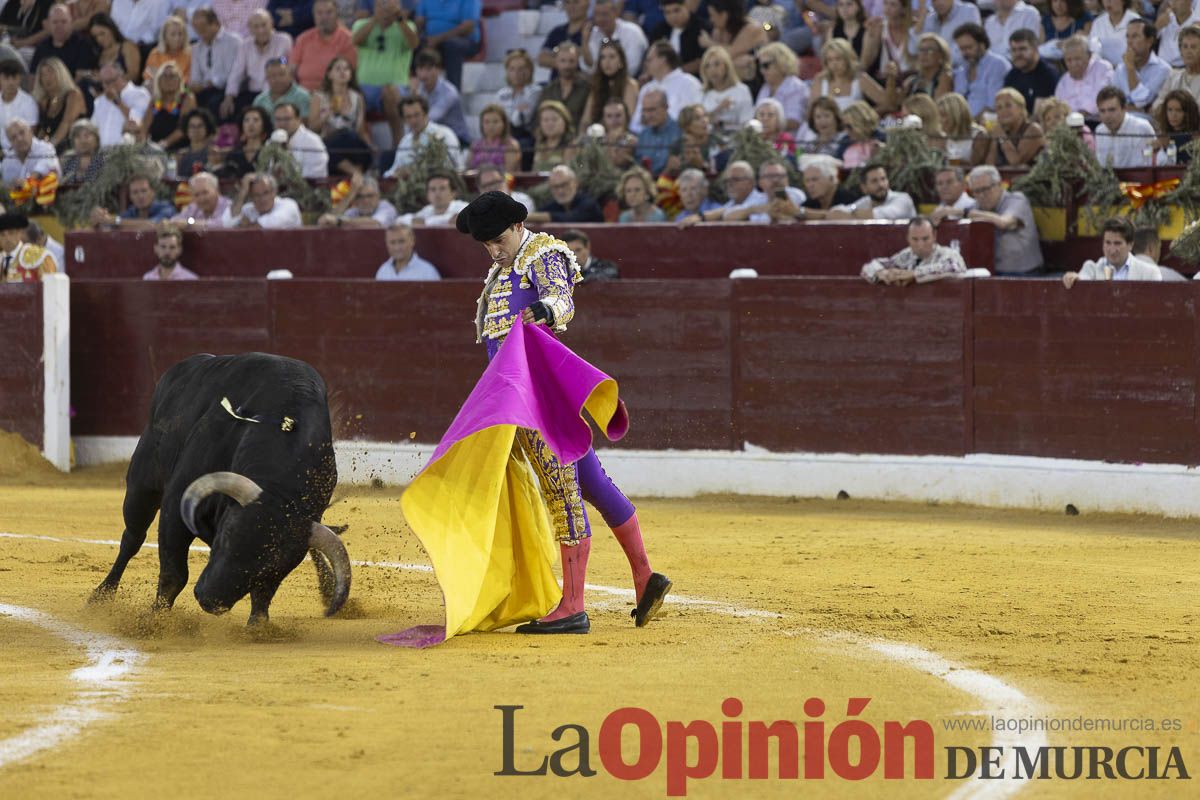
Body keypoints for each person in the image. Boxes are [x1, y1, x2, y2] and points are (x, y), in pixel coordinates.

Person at [453, 190, 671, 633]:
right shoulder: (502, 270)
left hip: (538, 397)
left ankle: (572, 606)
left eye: (498, 241)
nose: (494, 252)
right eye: (486, 246)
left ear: (518, 226)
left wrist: (545, 309)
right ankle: (646, 576)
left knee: (561, 492)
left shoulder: (544, 251)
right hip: (518, 396)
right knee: (592, 482)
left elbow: (562, 298)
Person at [351, 0, 419, 147]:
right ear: (375, 7)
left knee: (390, 91)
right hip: (365, 88)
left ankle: (398, 145)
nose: (386, 10)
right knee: (352, 96)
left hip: (397, 87)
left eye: (390, 6)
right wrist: (375, 19)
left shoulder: (408, 26)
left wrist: (400, 20)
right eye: (382, 5)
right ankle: (365, 148)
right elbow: (356, 40)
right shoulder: (361, 24)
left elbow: (414, 44)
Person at [965, 164, 1042, 276]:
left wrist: (967, 213)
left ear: (999, 185)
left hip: (1024, 273)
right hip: (991, 272)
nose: (981, 195)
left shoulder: (1016, 200)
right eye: (976, 192)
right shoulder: (975, 207)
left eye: (986, 189)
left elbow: (1004, 222)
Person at [221, 9, 294, 120]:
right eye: (256, 26)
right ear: (250, 29)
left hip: (276, 92)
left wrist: (263, 99)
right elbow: (237, 72)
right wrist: (229, 97)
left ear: (272, 24)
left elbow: (280, 65)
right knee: (229, 107)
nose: (261, 30)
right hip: (253, 92)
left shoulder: (284, 40)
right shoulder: (245, 45)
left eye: (264, 25)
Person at [308, 55, 372, 174]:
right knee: (330, 148)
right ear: (329, 74)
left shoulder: (357, 98)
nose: (343, 72)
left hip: (351, 141)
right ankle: (355, 174)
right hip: (328, 141)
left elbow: (360, 130)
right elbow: (312, 128)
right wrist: (326, 116)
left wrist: (369, 145)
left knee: (358, 144)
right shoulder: (319, 97)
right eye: (338, 69)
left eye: (346, 69)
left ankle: (355, 174)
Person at [861, 216, 966, 285]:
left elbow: (954, 267)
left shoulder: (948, 254)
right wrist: (881, 273)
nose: (920, 245)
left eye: (925, 239)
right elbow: (869, 267)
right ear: (907, 238)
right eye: (915, 239)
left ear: (934, 236)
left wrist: (915, 274)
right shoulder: (906, 255)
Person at [1062, 216, 1162, 287]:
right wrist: (1073, 279)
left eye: (1117, 243)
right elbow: (1082, 280)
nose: (1112, 250)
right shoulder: (1091, 268)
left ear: (1130, 245)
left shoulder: (1150, 273)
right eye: (1108, 243)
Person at [630, 41, 703, 134]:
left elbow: (693, 118)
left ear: (663, 59)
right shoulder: (646, 88)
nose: (646, 64)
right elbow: (635, 124)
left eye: (649, 60)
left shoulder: (689, 83)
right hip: (648, 142)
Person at [383, 95, 462, 179]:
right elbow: (394, 170)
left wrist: (413, 171)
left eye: (416, 115)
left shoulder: (444, 134)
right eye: (408, 117)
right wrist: (394, 175)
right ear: (404, 120)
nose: (413, 121)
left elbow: (448, 167)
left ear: (426, 114)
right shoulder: (405, 141)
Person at [289, 0, 357, 91]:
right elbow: (291, 70)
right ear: (314, 16)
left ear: (337, 14)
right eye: (319, 13)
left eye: (329, 12)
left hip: (333, 93)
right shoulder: (303, 39)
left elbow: (349, 76)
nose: (324, 17)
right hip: (303, 95)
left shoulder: (348, 39)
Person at [414, 0, 480, 89]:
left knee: (453, 46)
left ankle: (453, 93)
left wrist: (438, 39)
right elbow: (419, 20)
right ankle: (413, 91)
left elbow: (468, 27)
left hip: (464, 41)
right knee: (413, 43)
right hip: (432, 40)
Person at [409, 47, 469, 145]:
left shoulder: (449, 92)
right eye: (420, 69)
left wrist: (414, 97)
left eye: (428, 69)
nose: (424, 74)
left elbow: (430, 119)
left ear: (438, 70)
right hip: (432, 139)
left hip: (457, 141)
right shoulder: (417, 89)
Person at [190, 8, 242, 120]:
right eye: (197, 30)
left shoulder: (234, 42)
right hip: (205, 90)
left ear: (215, 23)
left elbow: (234, 73)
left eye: (203, 29)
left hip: (226, 90)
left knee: (214, 103)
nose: (200, 34)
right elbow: (195, 75)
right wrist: (195, 84)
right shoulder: (196, 47)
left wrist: (212, 82)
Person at [952, 23, 1009, 119]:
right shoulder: (962, 69)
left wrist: (971, 124)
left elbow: (993, 105)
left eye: (969, 47)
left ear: (982, 44)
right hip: (962, 126)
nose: (965, 53)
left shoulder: (997, 65)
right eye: (962, 49)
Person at [1112, 17, 1169, 112]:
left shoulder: (1163, 69)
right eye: (1127, 36)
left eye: (1135, 36)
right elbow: (1112, 100)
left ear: (1149, 41)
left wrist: (1130, 68)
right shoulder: (1120, 68)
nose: (1129, 42)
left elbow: (1140, 101)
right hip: (1121, 118)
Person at [581, 38, 639, 127]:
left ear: (621, 62)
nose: (607, 62)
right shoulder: (597, 84)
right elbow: (586, 119)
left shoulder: (630, 85)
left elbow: (628, 118)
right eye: (603, 58)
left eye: (612, 57)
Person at [31, 3, 98, 79]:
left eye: (64, 22)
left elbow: (81, 80)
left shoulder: (83, 45)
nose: (59, 26)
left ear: (71, 22)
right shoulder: (42, 47)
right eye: (55, 22)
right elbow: (33, 77)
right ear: (49, 24)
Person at [92, 62, 152, 147]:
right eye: (105, 82)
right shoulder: (99, 101)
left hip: (127, 153)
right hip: (102, 154)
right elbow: (93, 127)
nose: (109, 85)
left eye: (112, 80)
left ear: (122, 76)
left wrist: (117, 101)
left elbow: (136, 122)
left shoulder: (139, 94)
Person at [33, 58, 86, 152]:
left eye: (51, 72)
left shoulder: (73, 94)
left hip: (74, 148)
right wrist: (36, 148)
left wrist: (48, 148)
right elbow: (43, 129)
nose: (47, 78)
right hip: (53, 149)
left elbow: (66, 124)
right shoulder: (44, 101)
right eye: (43, 75)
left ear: (60, 73)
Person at [1095, 85, 1156, 167]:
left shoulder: (1141, 128)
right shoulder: (1099, 131)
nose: (1107, 116)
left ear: (1124, 108)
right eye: (1102, 111)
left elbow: (1143, 167)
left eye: (1112, 110)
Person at [829, 163, 916, 220]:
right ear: (864, 188)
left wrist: (851, 214)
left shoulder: (903, 198)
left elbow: (879, 215)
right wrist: (852, 212)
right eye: (874, 181)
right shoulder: (866, 201)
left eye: (883, 179)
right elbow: (835, 212)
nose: (881, 184)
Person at [754, 42, 809, 132]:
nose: (762, 70)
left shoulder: (796, 87)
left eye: (766, 65)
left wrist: (767, 124)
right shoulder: (765, 88)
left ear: (781, 63)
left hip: (790, 142)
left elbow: (794, 121)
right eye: (760, 66)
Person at [583, 0, 648, 76]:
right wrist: (585, 42)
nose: (600, 19)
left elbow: (631, 68)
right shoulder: (593, 33)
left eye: (604, 14)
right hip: (601, 82)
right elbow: (588, 67)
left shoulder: (632, 32)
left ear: (615, 13)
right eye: (596, 15)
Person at [1054, 34, 1114, 116]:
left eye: (1077, 59)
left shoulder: (1103, 68)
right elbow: (1059, 107)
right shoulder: (1064, 81)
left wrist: (1082, 112)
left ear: (1089, 56)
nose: (1073, 64)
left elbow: (1103, 98)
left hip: (1097, 120)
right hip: (1070, 122)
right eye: (1069, 60)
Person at [142, 61, 196, 150]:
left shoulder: (187, 98)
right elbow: (145, 126)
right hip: (153, 146)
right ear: (159, 80)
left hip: (178, 147)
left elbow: (183, 127)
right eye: (164, 76)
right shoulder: (155, 101)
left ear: (179, 80)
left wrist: (163, 144)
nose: (168, 80)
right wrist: (143, 144)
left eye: (172, 76)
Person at [699, 46, 753, 136]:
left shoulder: (741, 91)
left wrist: (724, 124)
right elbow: (696, 122)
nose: (712, 70)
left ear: (726, 66)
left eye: (717, 64)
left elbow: (747, 124)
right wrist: (719, 108)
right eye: (707, 66)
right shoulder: (703, 93)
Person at [89, 174, 175, 230]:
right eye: (135, 192)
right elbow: (110, 227)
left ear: (152, 193)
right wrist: (99, 219)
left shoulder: (166, 207)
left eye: (144, 191)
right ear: (130, 197)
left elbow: (152, 225)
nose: (140, 196)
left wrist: (113, 220)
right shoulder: (131, 211)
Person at [1003, 28, 1059, 114]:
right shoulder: (1011, 75)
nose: (1018, 54)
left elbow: (1037, 116)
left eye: (1022, 49)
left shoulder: (1047, 74)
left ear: (1035, 49)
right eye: (1013, 50)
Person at [647, 0, 709, 76]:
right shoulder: (659, 30)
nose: (673, 16)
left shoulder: (701, 28)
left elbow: (703, 60)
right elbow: (649, 57)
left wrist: (675, 73)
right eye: (668, 12)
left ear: (686, 6)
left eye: (677, 10)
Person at [987, 87, 1045, 167]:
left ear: (1021, 108)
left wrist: (1002, 137)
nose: (1003, 111)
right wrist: (994, 140)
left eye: (1008, 105)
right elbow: (989, 166)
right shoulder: (1002, 131)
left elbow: (1016, 162)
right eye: (999, 108)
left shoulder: (1033, 129)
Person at [221, 171, 303, 228]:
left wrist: (243, 226)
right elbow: (228, 224)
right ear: (251, 197)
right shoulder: (248, 209)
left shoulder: (288, 205)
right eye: (256, 195)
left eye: (266, 193)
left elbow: (264, 226)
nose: (262, 199)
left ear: (274, 192)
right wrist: (243, 192)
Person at [526, 164, 603, 224]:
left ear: (575, 183)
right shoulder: (552, 206)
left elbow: (570, 218)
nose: (560, 191)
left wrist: (531, 217)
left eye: (564, 185)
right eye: (555, 187)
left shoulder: (589, 203)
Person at [537, 42, 588, 130]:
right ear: (556, 62)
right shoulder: (548, 90)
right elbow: (537, 119)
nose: (567, 66)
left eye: (571, 61)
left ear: (577, 62)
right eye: (563, 61)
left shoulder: (587, 89)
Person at [1153, 24, 1200, 115]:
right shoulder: (1173, 76)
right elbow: (1157, 105)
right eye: (1185, 47)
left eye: (1193, 47)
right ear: (1180, 51)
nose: (1188, 51)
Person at [320, 173, 398, 227]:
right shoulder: (353, 212)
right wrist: (351, 193)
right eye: (360, 197)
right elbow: (330, 220)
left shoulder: (386, 207)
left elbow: (375, 224)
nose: (365, 200)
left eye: (370, 196)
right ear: (355, 200)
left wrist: (339, 222)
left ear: (378, 196)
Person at [0, 212, 57, 283]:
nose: (7, 238)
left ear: (19, 233)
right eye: (2, 234)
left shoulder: (39, 257)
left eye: (11, 233)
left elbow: (50, 288)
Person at [2, 120, 61, 188]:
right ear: (10, 142)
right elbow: (8, 184)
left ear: (30, 132)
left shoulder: (46, 148)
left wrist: (27, 182)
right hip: (20, 197)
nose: (19, 139)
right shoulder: (8, 159)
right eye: (13, 137)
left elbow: (44, 168)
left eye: (22, 132)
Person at [634, 89, 680, 175]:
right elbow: (638, 166)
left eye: (652, 110)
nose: (648, 115)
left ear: (666, 107)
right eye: (645, 110)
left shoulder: (679, 131)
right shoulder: (643, 135)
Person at [89, 12, 143, 85]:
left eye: (102, 33)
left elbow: (133, 75)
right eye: (95, 36)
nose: (99, 39)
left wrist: (109, 81)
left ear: (111, 29)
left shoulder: (127, 47)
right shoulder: (99, 53)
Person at [375, 221, 440, 280]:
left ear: (412, 241)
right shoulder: (383, 270)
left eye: (401, 241)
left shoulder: (428, 272)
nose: (397, 247)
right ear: (387, 244)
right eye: (392, 242)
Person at [924, 0, 981, 65]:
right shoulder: (929, 19)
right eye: (935, 0)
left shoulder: (969, 11)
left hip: (962, 69)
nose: (939, 2)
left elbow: (973, 47)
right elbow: (914, 50)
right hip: (937, 69)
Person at [222, 105, 273, 178]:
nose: (251, 124)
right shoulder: (234, 154)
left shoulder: (269, 152)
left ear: (264, 125)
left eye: (256, 120)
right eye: (246, 120)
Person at [938, 92, 988, 165]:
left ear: (955, 115)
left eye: (943, 115)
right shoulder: (941, 136)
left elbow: (974, 165)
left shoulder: (979, 135)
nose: (940, 120)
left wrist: (949, 160)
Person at [537, 0, 589, 72]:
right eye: (567, 2)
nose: (571, 6)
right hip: (557, 82)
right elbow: (542, 58)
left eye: (576, 2)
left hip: (583, 81)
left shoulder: (594, 30)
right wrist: (567, 62)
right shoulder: (557, 31)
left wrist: (561, 58)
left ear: (587, 3)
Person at [801, 154, 857, 219]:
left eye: (814, 179)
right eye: (807, 181)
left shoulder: (850, 200)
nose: (810, 185)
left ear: (831, 179)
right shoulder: (809, 204)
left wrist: (803, 213)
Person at [0, 61, 38, 152]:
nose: (11, 82)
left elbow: (30, 133)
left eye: (14, 78)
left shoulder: (29, 102)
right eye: (6, 78)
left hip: (21, 151)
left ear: (20, 79)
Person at [143, 15, 192, 84]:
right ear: (165, 36)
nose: (177, 38)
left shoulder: (190, 54)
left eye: (180, 34)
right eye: (173, 34)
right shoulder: (155, 54)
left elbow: (189, 78)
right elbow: (148, 75)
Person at [1155, 90, 1200, 164]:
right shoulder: (1163, 137)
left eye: (1178, 110)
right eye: (1170, 110)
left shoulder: (1196, 137)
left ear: (1188, 113)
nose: (1173, 115)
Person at [531, 99, 576, 172]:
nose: (550, 124)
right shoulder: (539, 144)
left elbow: (568, 173)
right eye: (545, 120)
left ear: (565, 121)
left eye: (554, 119)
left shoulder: (571, 145)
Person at [1091, 0, 1139, 68]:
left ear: (1123, 1)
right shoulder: (1098, 23)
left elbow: (1139, 50)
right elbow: (1093, 50)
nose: (1108, 2)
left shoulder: (1136, 21)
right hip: (1104, 70)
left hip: (1130, 68)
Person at [60, 118, 105, 184]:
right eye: (78, 136)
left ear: (96, 139)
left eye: (87, 135)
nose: (83, 140)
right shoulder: (66, 160)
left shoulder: (104, 161)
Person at [176, 108, 216, 176]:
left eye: (200, 126)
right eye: (192, 126)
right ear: (186, 129)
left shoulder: (212, 152)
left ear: (207, 128)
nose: (196, 130)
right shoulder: (180, 155)